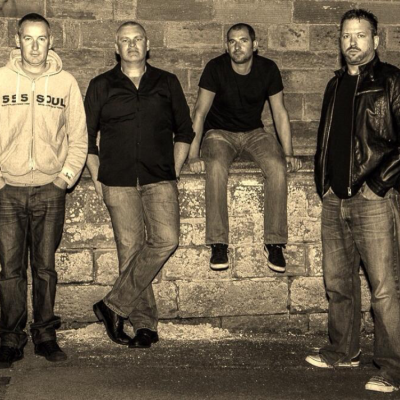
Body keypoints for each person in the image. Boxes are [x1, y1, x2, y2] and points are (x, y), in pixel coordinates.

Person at [306, 9, 400, 394]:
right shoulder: (335, 84)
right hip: (335, 198)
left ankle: (393, 367)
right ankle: (343, 350)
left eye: (360, 35)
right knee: (338, 282)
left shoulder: (391, 80)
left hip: (373, 198)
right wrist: (325, 185)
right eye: (346, 35)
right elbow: (327, 139)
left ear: (375, 40)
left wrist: (378, 184)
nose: (352, 42)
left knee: (384, 288)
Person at [85, 21, 194, 349]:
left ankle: (112, 305)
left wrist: (173, 171)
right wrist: (97, 178)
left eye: (137, 39)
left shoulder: (167, 82)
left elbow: (184, 131)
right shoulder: (100, 85)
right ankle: (145, 325)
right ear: (116, 47)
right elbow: (85, 138)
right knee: (130, 252)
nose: (131, 45)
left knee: (167, 239)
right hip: (116, 181)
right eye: (125, 40)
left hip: (159, 177)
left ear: (148, 45)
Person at [0, 13, 88, 367]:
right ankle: (10, 338)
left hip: (50, 190)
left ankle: (45, 335)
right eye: (28, 38)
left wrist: (64, 178)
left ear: (51, 41)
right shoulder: (2, 80)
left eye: (41, 38)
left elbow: (78, 137)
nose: (35, 46)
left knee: (45, 268)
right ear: (17, 41)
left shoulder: (65, 83)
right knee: (9, 270)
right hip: (7, 190)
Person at [188, 23, 301, 273]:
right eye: (232, 41)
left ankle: (274, 243)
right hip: (219, 133)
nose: (237, 46)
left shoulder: (268, 69)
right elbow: (199, 112)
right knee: (216, 167)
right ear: (226, 46)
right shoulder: (215, 68)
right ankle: (218, 243)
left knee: (277, 167)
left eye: (243, 40)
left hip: (254, 133)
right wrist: (193, 155)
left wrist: (288, 153)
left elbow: (280, 112)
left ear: (255, 44)